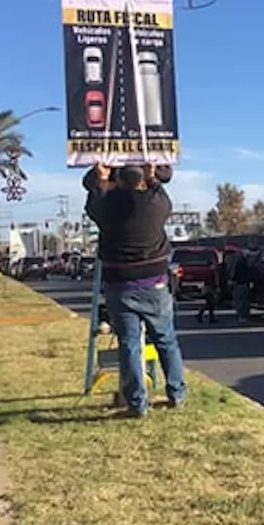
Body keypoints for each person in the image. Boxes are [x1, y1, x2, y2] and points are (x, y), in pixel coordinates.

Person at [84, 162, 186, 417]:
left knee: (129, 344)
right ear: (143, 181)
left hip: (120, 283)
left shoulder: (107, 207)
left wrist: (101, 178)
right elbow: (162, 193)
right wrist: (152, 178)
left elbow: (92, 202)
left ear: (119, 182)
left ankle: (137, 403)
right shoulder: (156, 205)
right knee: (166, 339)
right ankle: (176, 393)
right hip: (155, 281)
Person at [230, 249, 255, 324]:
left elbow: (236, 273)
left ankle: (241, 316)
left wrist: (233, 280)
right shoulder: (248, 264)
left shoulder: (240, 263)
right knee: (245, 301)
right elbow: (249, 274)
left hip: (239, 284)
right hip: (245, 284)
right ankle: (245, 316)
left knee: (239, 301)